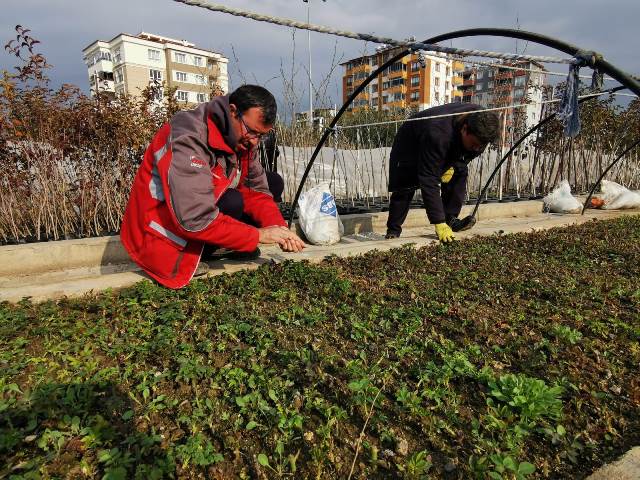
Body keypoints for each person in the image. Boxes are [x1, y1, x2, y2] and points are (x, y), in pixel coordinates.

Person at [120, 85, 305, 289]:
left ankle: (230, 245)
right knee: (232, 201)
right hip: (160, 229)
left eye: (261, 136)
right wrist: (258, 235)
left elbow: (256, 191)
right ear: (233, 111)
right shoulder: (189, 136)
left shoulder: (242, 138)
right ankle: (211, 249)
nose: (254, 142)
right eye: (251, 132)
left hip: (201, 208)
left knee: (272, 181)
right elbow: (195, 218)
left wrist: (278, 228)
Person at [385, 102, 500, 242]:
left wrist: (454, 164)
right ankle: (393, 230)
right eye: (474, 144)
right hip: (410, 144)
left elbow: (469, 152)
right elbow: (429, 179)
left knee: (459, 171)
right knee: (405, 186)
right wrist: (437, 221)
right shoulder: (438, 133)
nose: (477, 149)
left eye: (480, 146)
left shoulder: (482, 122)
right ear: (465, 129)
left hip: (445, 138)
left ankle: (450, 219)